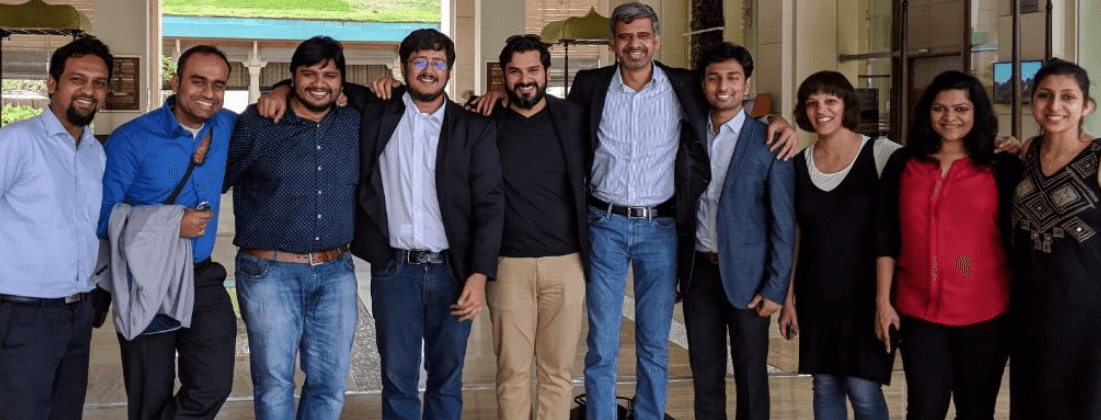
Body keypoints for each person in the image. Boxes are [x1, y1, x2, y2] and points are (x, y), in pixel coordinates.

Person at [350, 29, 503, 420]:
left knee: (446, 380)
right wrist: (279, 91)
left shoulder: (472, 127)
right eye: (419, 61)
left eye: (438, 63)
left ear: (449, 70)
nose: (429, 70)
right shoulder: (377, 110)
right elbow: (318, 82)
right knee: (397, 379)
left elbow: (489, 205)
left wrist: (479, 275)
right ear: (403, 67)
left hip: (453, 272)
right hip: (394, 271)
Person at [97, 44, 236, 420]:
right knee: (150, 395)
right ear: (175, 83)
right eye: (198, 81)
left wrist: (283, 91)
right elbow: (102, 218)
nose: (209, 93)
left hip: (202, 275)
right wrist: (172, 222)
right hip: (146, 278)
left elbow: (277, 114)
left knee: (213, 384)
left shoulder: (227, 126)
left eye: (218, 85)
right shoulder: (132, 139)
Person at [224, 36, 360, 420]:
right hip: (269, 272)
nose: (319, 83)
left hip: (336, 271)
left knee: (329, 382)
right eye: (308, 74)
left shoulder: (353, 122)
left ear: (342, 81)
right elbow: (217, 178)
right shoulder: (258, 123)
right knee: (274, 382)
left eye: (329, 75)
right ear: (293, 77)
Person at [875, 70, 1022, 420]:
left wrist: (1025, 146)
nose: (949, 117)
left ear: (977, 113)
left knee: (976, 411)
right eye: (939, 108)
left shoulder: (1002, 166)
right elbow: (885, 235)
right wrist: (883, 301)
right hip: (919, 313)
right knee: (924, 409)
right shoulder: (904, 163)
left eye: (961, 109)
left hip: (986, 313)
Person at [680, 42, 795, 420]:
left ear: (746, 85)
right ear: (703, 84)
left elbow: (783, 222)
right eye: (714, 78)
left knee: (751, 375)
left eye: (732, 78)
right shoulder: (688, 135)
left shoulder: (769, 141)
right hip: (699, 274)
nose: (723, 86)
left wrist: (776, 287)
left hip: (750, 278)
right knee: (705, 375)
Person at [0, 36, 111, 420]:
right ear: (52, 83)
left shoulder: (94, 152)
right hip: (22, 312)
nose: (89, 91)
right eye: (77, 79)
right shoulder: (17, 141)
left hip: (78, 310)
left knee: (66, 413)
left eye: (98, 83)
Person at [777, 70, 899, 420]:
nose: (821, 110)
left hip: (868, 295)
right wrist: (788, 299)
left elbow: (891, 232)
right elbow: (795, 236)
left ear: (847, 106)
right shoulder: (797, 165)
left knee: (863, 389)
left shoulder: (882, 154)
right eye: (812, 103)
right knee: (825, 384)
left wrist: (884, 302)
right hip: (817, 294)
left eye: (831, 101)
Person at [485, 34, 589, 420]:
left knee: (557, 371)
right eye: (515, 72)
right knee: (512, 371)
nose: (524, 79)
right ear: (504, 76)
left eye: (532, 70)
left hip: (566, 263)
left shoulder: (573, 118)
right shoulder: (485, 120)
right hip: (507, 265)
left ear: (546, 72)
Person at [1010, 58, 1099, 419]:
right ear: (1032, 101)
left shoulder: (1098, 156)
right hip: (1030, 306)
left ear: (1086, 106)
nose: (1055, 106)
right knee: (1032, 403)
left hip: (1087, 311)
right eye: (1044, 95)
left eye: (1068, 97)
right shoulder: (1029, 151)